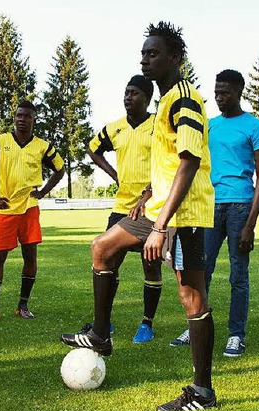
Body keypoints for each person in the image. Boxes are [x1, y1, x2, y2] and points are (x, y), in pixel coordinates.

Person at [61, 21, 217, 411]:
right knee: (102, 247)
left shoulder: (186, 100)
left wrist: (161, 227)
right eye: (143, 53)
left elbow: (189, 162)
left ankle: (202, 392)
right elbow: (167, 166)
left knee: (191, 296)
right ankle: (100, 335)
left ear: (176, 58)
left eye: (153, 53)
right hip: (157, 209)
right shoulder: (166, 102)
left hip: (183, 216)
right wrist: (149, 202)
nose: (144, 59)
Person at [170, 69, 259, 357]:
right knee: (201, 272)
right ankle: (196, 325)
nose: (219, 98)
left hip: (240, 207)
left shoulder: (255, 126)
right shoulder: (208, 126)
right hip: (208, 207)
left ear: (239, 92)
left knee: (238, 276)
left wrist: (250, 224)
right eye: (216, 93)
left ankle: (236, 335)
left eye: (225, 92)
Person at [87, 74, 162, 343]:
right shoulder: (115, 128)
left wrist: (150, 192)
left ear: (147, 98)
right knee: (108, 261)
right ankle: (103, 323)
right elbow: (93, 149)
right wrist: (114, 174)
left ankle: (147, 323)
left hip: (152, 208)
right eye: (126, 92)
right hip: (122, 206)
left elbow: (170, 162)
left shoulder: (158, 125)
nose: (128, 97)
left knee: (150, 266)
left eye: (134, 93)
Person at [0, 100, 65, 324]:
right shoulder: (0, 141)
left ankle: (23, 304)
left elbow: (60, 169)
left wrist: (43, 192)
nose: (22, 119)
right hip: (5, 208)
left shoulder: (43, 146)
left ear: (34, 119)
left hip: (29, 208)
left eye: (27, 116)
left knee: (30, 255)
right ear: (14, 117)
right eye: (18, 115)